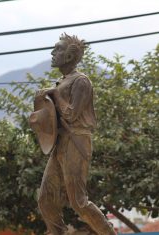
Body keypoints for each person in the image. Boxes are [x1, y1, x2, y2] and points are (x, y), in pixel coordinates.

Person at [36, 33, 116, 235]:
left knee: (78, 201)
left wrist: (53, 95)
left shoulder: (81, 81)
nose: (53, 53)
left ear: (70, 56)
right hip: (60, 141)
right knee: (45, 199)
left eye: (58, 49)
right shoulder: (61, 82)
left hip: (77, 139)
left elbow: (71, 114)